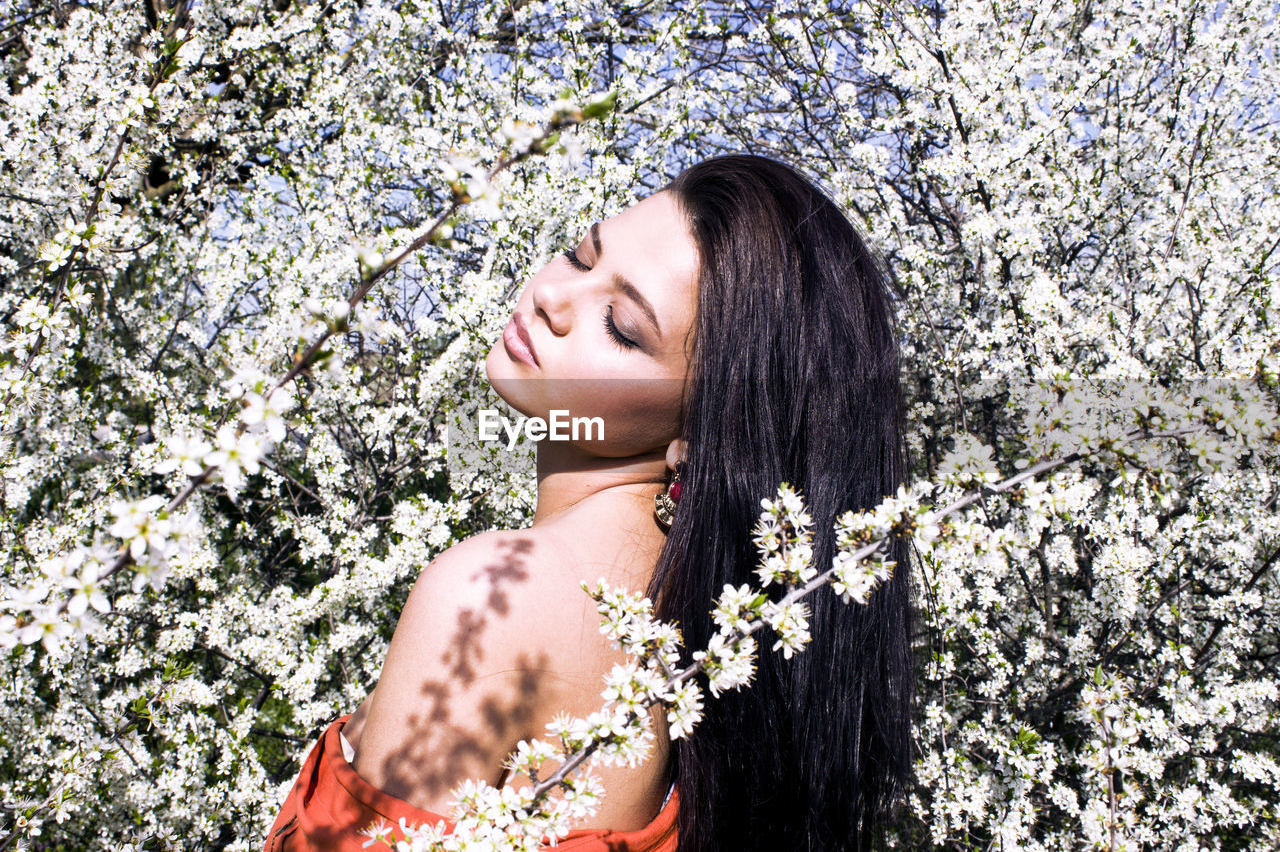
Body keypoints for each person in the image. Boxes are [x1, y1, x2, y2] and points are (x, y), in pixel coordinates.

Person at [263, 154, 913, 852]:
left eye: (622, 327)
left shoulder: (497, 594)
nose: (552, 296)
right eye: (580, 255)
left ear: (704, 434)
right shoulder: (687, 633)